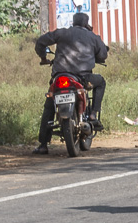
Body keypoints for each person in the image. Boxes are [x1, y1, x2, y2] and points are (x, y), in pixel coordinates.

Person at [32, 11, 109, 154]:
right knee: (101, 82)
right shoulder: (92, 36)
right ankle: (93, 114)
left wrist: (43, 58)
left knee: (49, 104)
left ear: (73, 23)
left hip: (60, 77)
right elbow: (103, 54)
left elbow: (41, 42)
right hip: (82, 77)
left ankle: (43, 144)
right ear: (86, 24)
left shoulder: (62, 33)